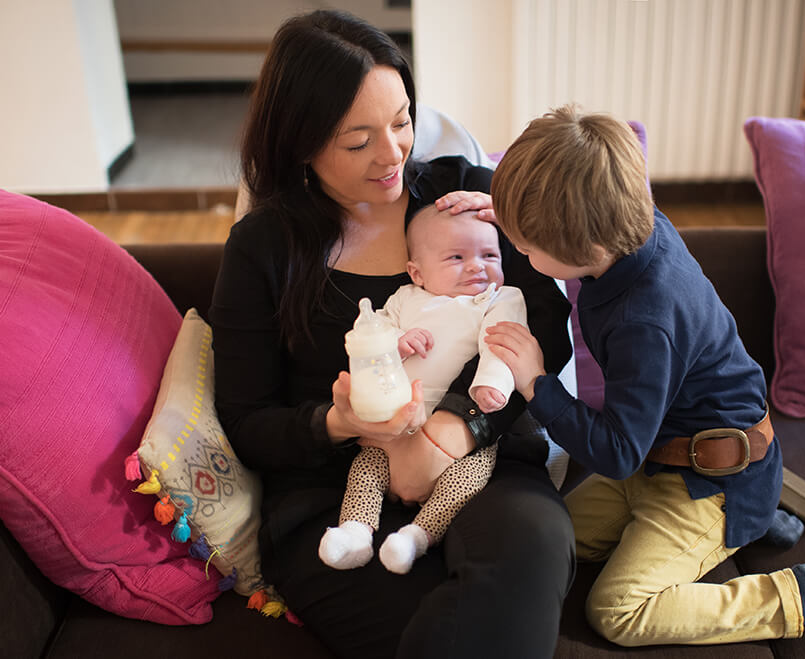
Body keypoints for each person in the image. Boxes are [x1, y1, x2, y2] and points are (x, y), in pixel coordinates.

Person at [209, 10, 574, 659]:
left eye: (402, 120)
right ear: (300, 143)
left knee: (529, 554)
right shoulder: (263, 248)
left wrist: (454, 428)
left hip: (485, 471)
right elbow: (247, 417)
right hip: (335, 496)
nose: (393, 153)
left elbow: (543, 322)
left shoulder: (464, 193)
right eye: (358, 140)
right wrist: (339, 422)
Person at [484, 105, 805, 647]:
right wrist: (504, 210)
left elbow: (618, 452)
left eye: (525, 243)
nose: (518, 248)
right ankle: (754, 524)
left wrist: (537, 383)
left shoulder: (646, 321)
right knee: (550, 536)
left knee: (616, 610)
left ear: (583, 247)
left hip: (707, 484)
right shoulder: (633, 222)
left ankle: (796, 594)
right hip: (660, 458)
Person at [319, 206, 525, 575]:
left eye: (489, 255)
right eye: (457, 257)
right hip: (395, 427)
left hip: (459, 435)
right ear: (417, 271)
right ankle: (356, 530)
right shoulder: (404, 299)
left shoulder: (499, 298)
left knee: (469, 477)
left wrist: (492, 385)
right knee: (366, 467)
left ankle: (417, 536)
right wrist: (395, 342)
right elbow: (370, 331)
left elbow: (502, 343)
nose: (477, 266)